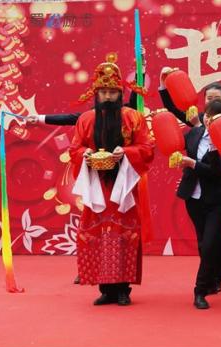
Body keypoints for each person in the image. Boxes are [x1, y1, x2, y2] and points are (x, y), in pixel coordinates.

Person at [68, 53, 154, 306]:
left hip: (124, 187)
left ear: (119, 93)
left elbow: (147, 148)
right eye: (103, 92)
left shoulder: (133, 117)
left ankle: (123, 289)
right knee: (100, 236)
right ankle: (106, 289)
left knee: (124, 235)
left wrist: (125, 153)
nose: (107, 96)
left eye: (112, 92)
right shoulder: (86, 119)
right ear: (96, 93)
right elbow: (74, 149)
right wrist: (87, 154)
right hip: (97, 185)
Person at [176, 99, 221, 310]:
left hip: (217, 200)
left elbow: (218, 172)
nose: (210, 119)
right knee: (211, 247)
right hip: (194, 198)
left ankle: (200, 290)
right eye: (208, 114)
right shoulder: (195, 134)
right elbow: (179, 148)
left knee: (208, 247)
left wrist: (194, 163)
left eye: (217, 116)